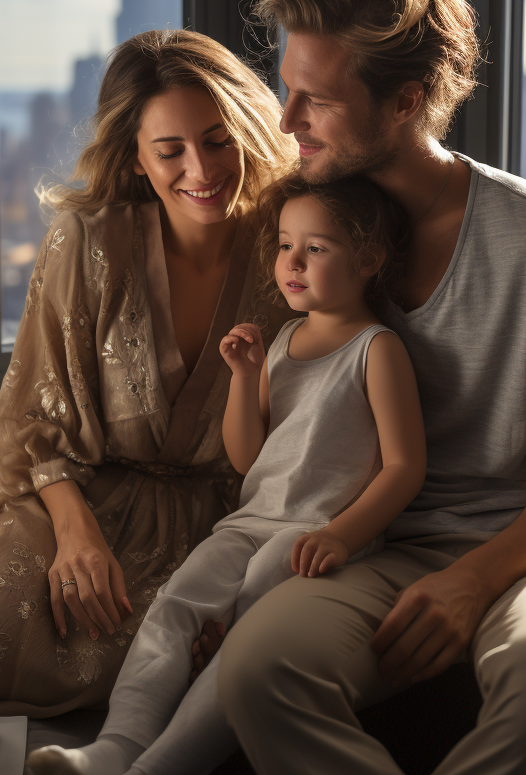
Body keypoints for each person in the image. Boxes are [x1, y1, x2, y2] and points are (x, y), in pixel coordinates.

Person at [215, 0, 526, 774]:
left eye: (318, 100)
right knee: (258, 672)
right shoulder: (312, 233)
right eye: (285, 87)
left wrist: (477, 577)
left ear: (406, 103)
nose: (286, 118)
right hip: (377, 549)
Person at [0, 29, 298, 717]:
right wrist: (74, 533)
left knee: (160, 658)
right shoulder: (90, 240)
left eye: (218, 139)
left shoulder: (292, 245)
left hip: (226, 525)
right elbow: (32, 421)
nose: (203, 169)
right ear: (134, 159)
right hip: (77, 499)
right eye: (170, 150)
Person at [26, 174, 426, 775]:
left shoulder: (377, 349)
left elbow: (405, 466)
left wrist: (341, 535)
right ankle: (116, 747)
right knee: (174, 604)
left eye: (315, 249)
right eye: (285, 245)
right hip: (251, 521)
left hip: (317, 533)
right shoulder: (286, 339)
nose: (291, 262)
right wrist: (245, 378)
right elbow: (247, 457)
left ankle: (161, 764)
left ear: (367, 259)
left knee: (250, 618)